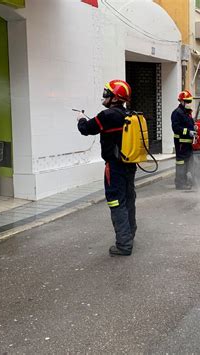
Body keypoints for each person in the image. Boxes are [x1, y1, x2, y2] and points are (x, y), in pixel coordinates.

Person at [77, 80, 136, 256]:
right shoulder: (129, 113)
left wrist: (80, 118)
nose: (104, 96)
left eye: (107, 93)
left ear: (114, 97)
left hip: (115, 167)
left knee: (115, 201)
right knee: (128, 199)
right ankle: (130, 234)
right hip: (129, 164)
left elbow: (86, 129)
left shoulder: (108, 115)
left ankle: (124, 245)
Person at [171, 90, 196, 190]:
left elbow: (189, 124)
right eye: (187, 101)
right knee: (181, 163)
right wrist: (188, 132)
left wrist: (194, 127)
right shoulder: (177, 113)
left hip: (188, 143)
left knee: (188, 162)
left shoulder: (187, 112)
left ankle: (186, 181)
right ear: (181, 101)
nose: (189, 103)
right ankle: (180, 184)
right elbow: (176, 128)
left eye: (190, 101)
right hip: (181, 143)